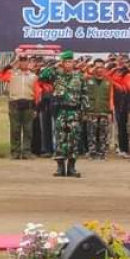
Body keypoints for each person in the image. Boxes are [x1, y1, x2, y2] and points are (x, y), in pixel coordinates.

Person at [39, 50, 86, 178]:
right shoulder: (56, 75)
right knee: (60, 139)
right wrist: (54, 66)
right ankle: (60, 167)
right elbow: (42, 76)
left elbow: (84, 94)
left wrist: (84, 111)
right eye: (66, 62)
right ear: (62, 63)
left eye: (70, 61)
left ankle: (72, 167)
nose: (68, 64)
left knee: (73, 140)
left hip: (74, 111)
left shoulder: (79, 76)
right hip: (61, 111)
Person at [0, 54, 42, 160]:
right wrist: (11, 64)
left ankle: (26, 151)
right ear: (18, 62)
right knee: (15, 129)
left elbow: (38, 93)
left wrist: (36, 108)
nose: (23, 63)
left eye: (25, 60)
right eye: (21, 61)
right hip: (15, 104)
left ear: (28, 62)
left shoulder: (33, 76)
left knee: (28, 130)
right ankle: (15, 152)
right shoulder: (12, 74)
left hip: (29, 104)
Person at [82, 60, 113, 160]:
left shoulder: (108, 81)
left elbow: (111, 97)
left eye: (101, 67)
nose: (99, 70)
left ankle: (102, 153)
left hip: (104, 111)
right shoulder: (88, 80)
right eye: (97, 67)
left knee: (103, 134)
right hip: (91, 111)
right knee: (91, 133)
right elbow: (82, 79)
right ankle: (92, 153)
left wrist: (110, 111)